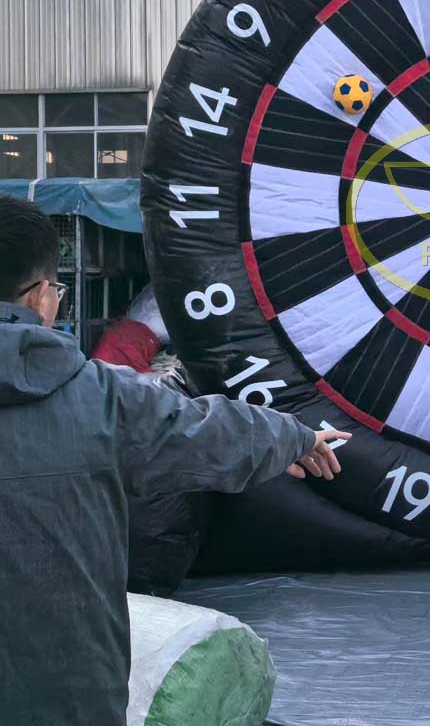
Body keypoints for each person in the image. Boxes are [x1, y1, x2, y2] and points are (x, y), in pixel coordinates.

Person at [0, 194, 351, 725]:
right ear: (42, 298)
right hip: (69, 693)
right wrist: (295, 439)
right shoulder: (102, 400)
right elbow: (208, 431)